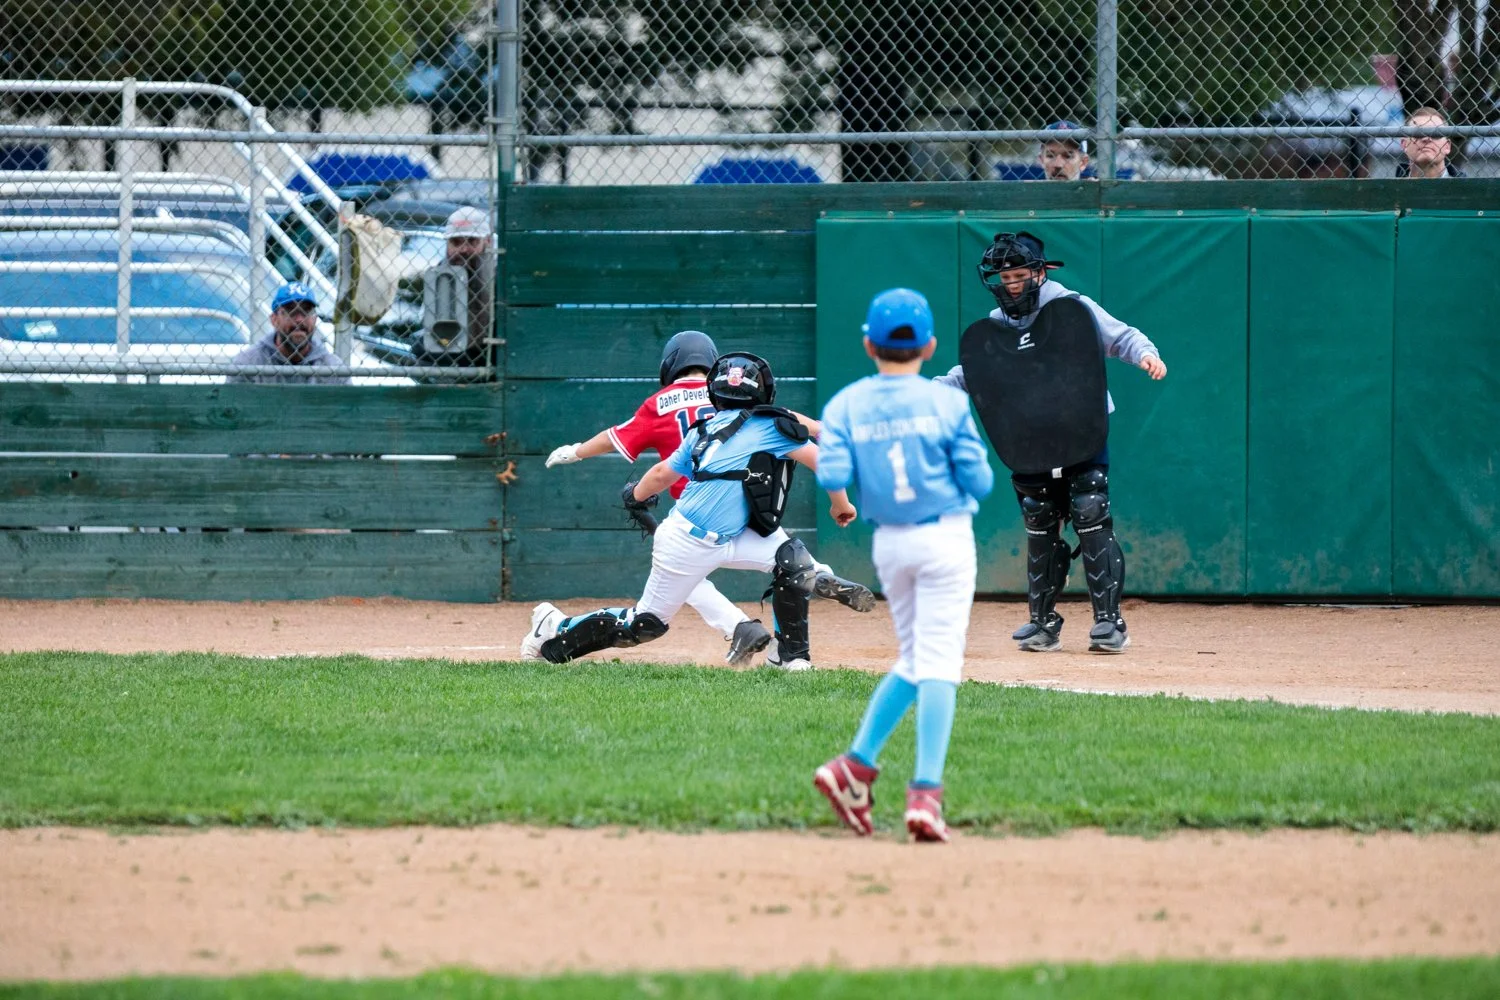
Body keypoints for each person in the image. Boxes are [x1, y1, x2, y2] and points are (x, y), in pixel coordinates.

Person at [539, 330, 876, 666]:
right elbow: (815, 442)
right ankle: (556, 640)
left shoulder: (691, 423)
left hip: (697, 523)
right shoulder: (773, 422)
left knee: (650, 622)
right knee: (794, 567)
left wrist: (621, 485)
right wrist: (841, 491)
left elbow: (644, 463)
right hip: (737, 518)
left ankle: (786, 655)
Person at [812, 288, 994, 844]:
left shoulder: (845, 404)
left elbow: (830, 473)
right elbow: (981, 482)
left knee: (918, 657)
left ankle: (857, 767)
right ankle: (925, 795)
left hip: (889, 543)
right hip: (945, 536)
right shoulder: (948, 403)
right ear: (931, 346)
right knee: (940, 664)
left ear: (868, 344)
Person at [936, 232, 1167, 653]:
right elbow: (972, 372)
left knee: (1089, 509)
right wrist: (928, 394)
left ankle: (1109, 624)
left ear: (1040, 273)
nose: (1013, 285)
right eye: (1005, 277)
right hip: (1029, 433)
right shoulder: (998, 324)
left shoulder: (1070, 308)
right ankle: (1043, 623)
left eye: (1020, 275)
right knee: (1039, 516)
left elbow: (1122, 336)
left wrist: (1147, 354)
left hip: (1080, 428)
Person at [411, 206, 496, 377]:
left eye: (472, 241)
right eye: (456, 242)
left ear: (487, 242)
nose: (463, 250)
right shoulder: (440, 274)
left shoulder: (500, 273)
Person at [227, 282, 349, 384]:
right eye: (291, 312)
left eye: (306, 312)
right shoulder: (248, 362)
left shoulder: (332, 367)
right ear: (274, 319)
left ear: (315, 319)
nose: (299, 320)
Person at [1397, 107, 1464, 178]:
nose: (1426, 139)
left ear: (1447, 146)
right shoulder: (1391, 187)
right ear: (1404, 145)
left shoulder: (1466, 188)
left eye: (1435, 134)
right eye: (1418, 133)